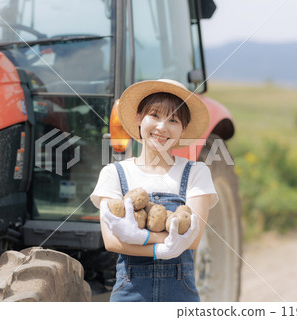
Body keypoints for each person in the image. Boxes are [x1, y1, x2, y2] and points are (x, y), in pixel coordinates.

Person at [90, 79, 219, 302]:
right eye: (155, 115)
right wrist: (159, 248)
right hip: (129, 294)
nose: (162, 127)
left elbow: (193, 239)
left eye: (173, 120)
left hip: (180, 294)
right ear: (139, 118)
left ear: (183, 129)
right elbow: (111, 241)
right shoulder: (113, 173)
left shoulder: (196, 172)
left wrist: (139, 239)